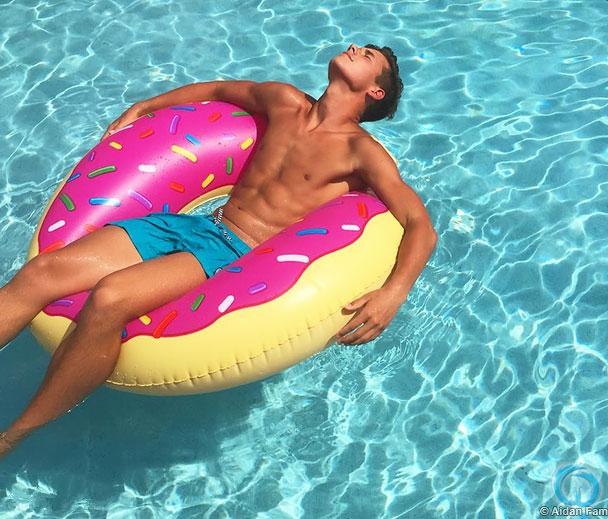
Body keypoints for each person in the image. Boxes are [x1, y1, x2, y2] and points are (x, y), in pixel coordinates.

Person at [0, 43, 437, 458]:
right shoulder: (285, 101)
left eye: (367, 55)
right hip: (198, 225)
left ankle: (13, 436)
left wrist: (393, 293)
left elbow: (420, 225)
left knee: (110, 298)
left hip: (234, 253)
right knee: (42, 272)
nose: (355, 48)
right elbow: (217, 90)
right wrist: (145, 107)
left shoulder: (361, 152)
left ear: (374, 92)